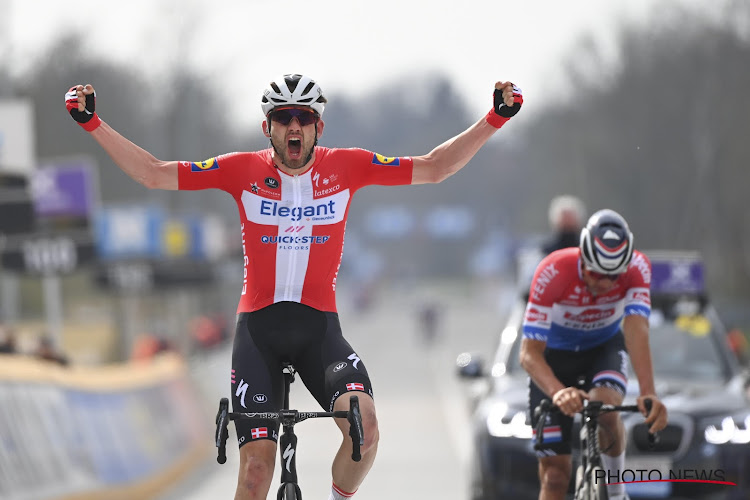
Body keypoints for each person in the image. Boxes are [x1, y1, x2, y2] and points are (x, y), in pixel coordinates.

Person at [65, 74, 523, 500]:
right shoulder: (240, 170)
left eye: (303, 117)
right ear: (268, 128)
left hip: (318, 331)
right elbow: (153, 172)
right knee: (256, 472)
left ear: (318, 126)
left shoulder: (348, 167)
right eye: (283, 118)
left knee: (365, 428)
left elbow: (435, 167)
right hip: (258, 334)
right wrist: (92, 123)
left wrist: (495, 118)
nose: (293, 126)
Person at [519, 209, 668, 500]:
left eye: (614, 276)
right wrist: (558, 392)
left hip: (603, 349)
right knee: (554, 477)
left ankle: (616, 494)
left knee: (606, 411)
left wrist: (649, 393)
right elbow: (528, 354)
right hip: (553, 359)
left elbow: (637, 330)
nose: (606, 283)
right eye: (597, 273)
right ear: (583, 259)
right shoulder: (552, 271)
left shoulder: (638, 267)